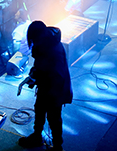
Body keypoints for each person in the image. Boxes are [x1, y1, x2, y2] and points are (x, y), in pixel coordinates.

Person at [17, 21, 72, 151]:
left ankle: (57, 146)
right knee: (40, 110)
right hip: (48, 86)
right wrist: (33, 76)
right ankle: (37, 136)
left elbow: (53, 73)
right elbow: (40, 66)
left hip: (55, 89)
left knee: (54, 118)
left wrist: (36, 79)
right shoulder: (47, 41)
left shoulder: (49, 49)